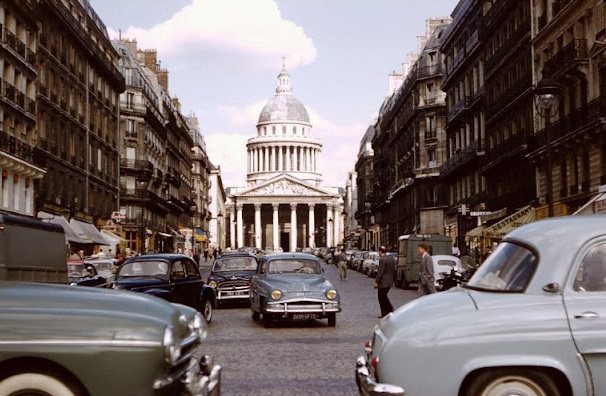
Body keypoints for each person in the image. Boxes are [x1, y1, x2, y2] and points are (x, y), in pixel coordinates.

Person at [374, 246, 395, 318]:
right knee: (384, 296)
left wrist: (376, 281)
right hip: (389, 281)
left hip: (383, 282)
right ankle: (389, 309)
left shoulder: (382, 260)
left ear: (380, 251)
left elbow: (380, 271)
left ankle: (385, 312)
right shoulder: (391, 258)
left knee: (381, 297)